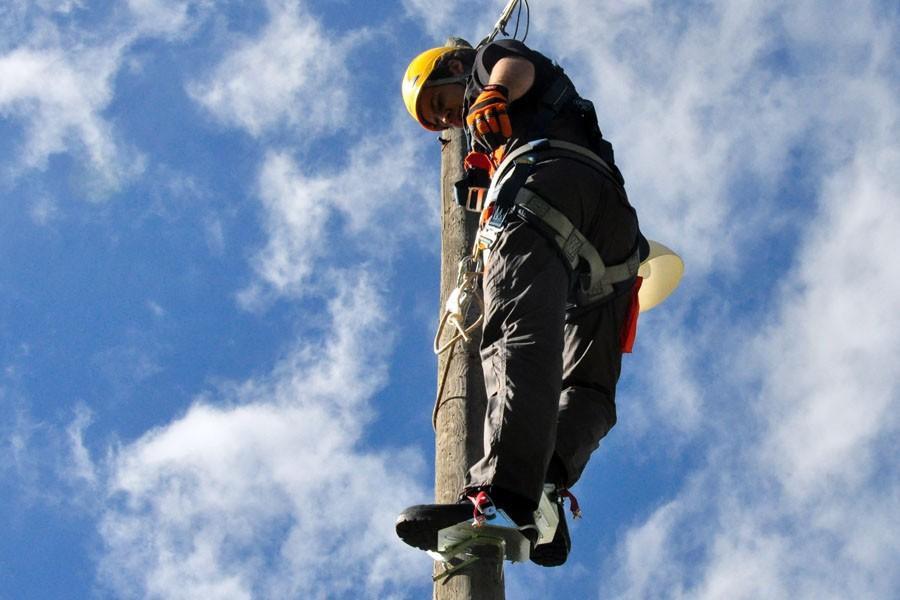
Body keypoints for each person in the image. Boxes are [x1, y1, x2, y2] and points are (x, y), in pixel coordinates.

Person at [396, 39, 646, 567]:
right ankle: (546, 489)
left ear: (455, 68)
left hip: (543, 190)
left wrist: (492, 92)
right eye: (438, 118)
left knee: (515, 332)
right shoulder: (507, 134)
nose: (446, 115)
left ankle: (497, 500)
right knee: (588, 387)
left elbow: (512, 65)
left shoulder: (485, 66)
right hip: (611, 235)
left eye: (440, 101)